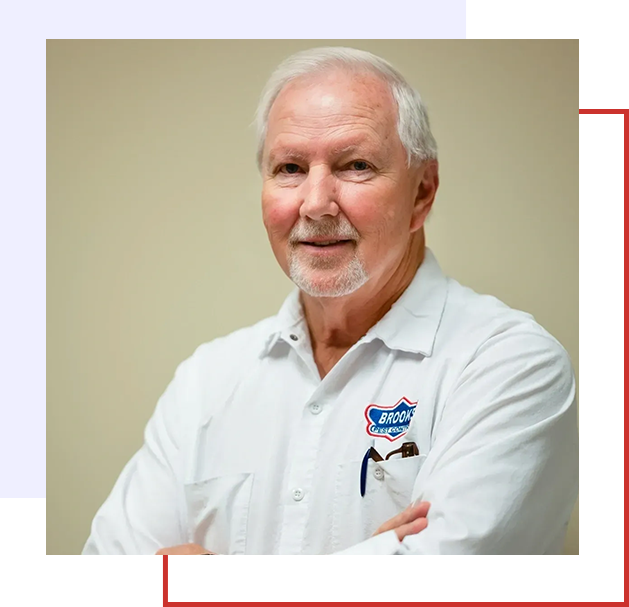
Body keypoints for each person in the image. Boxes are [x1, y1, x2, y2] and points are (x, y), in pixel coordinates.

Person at [81, 47, 578, 557]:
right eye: (290, 168)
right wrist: (372, 566)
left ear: (422, 192)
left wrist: (203, 582)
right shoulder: (206, 381)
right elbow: (106, 576)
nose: (316, 204)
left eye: (356, 165)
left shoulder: (509, 365)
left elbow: (447, 583)